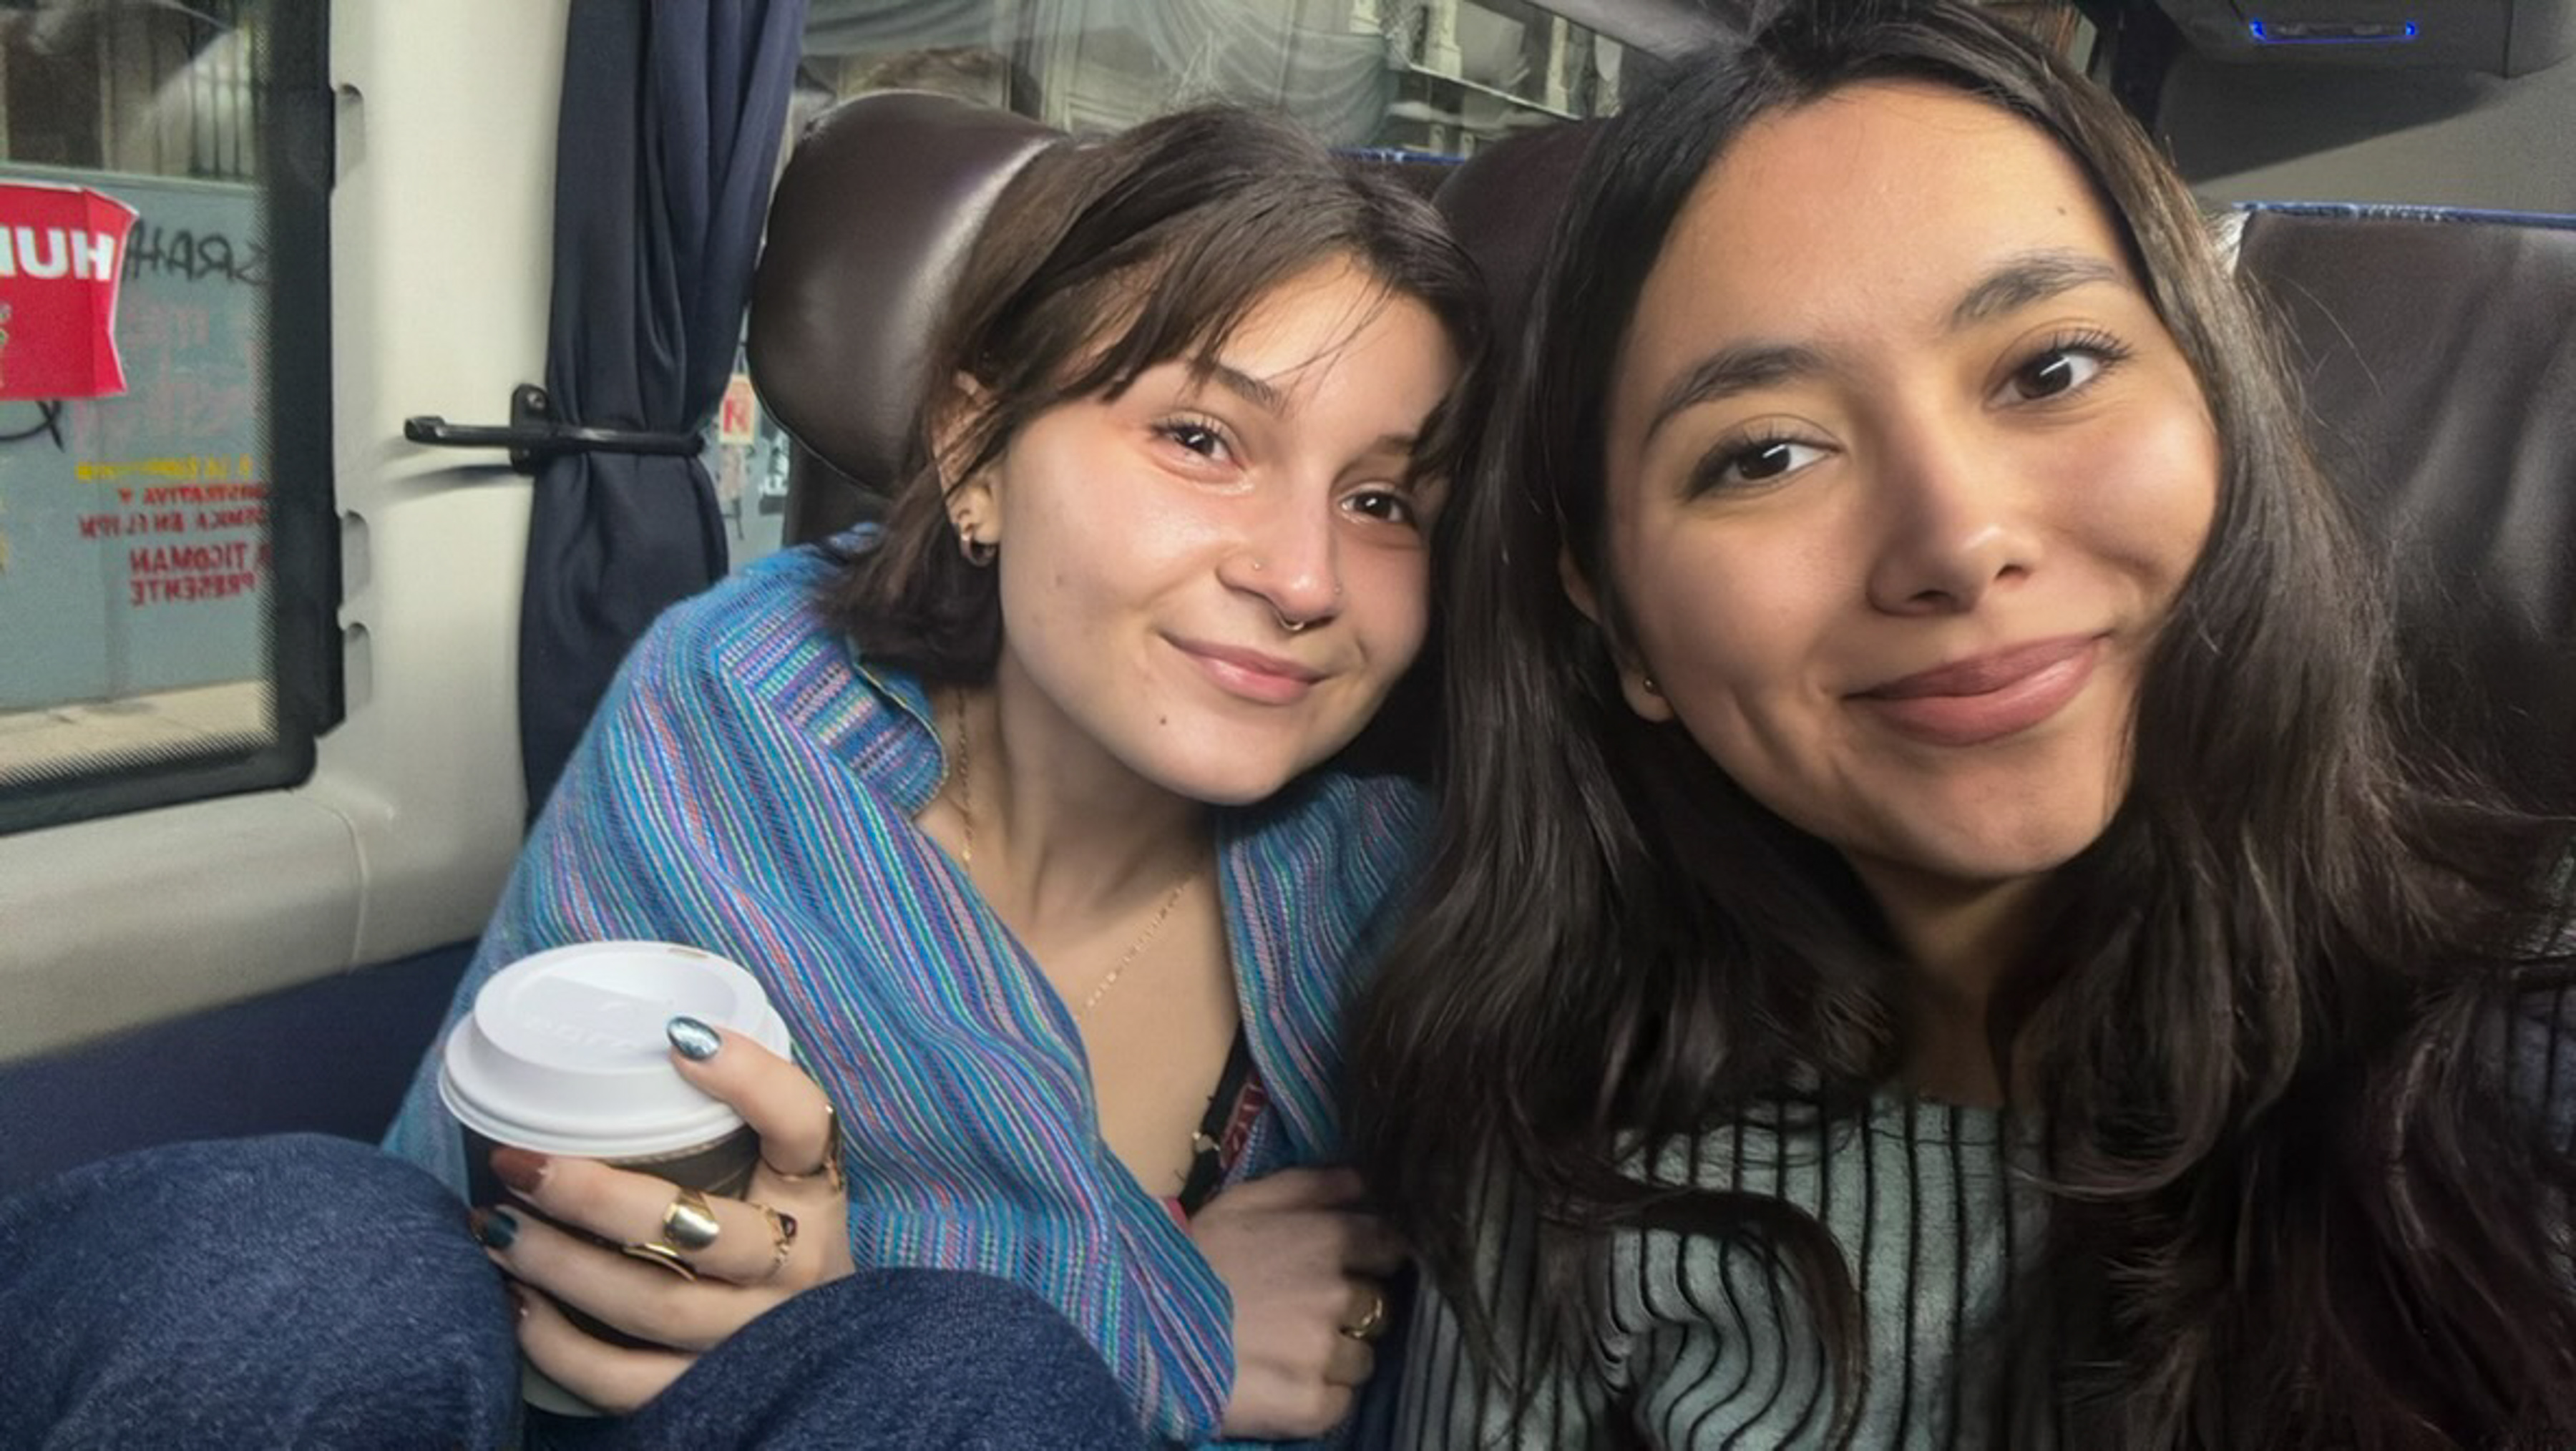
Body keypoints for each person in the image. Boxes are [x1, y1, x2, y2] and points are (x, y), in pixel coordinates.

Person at [4, 103, 1482, 1449]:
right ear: (977, 448)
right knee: (305, 1251)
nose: (1302, 577)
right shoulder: (740, 719)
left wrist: (885, 1351)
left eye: (1382, 500)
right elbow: (468, 1262)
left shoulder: (1405, 899)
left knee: (962, 1383)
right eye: (1203, 437)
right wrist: (1138, 1321)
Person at [1345, 3, 2576, 1447]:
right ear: (1614, 615)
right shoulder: (1562, 1143)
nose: (1957, 536)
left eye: (2050, 370)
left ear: (2228, 418)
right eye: (1766, 453)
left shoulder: (2529, 1038)